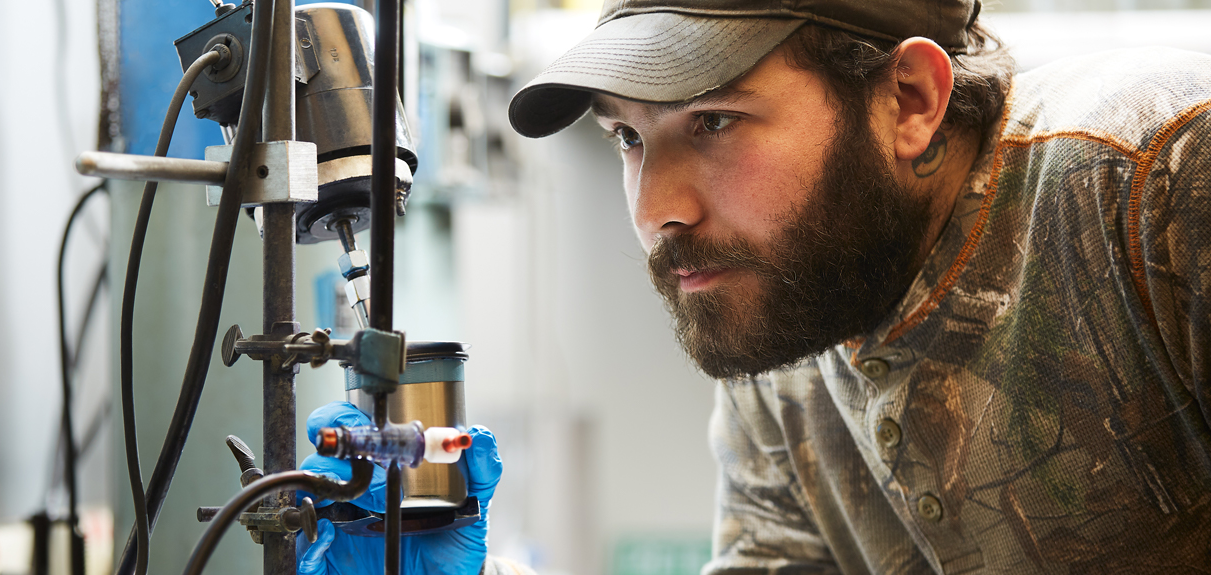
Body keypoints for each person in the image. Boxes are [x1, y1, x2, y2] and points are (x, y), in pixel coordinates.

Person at [299, 0, 1211, 572]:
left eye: (716, 122)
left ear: (911, 101)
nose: (657, 207)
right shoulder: (790, 318)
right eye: (628, 137)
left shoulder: (1159, 180)